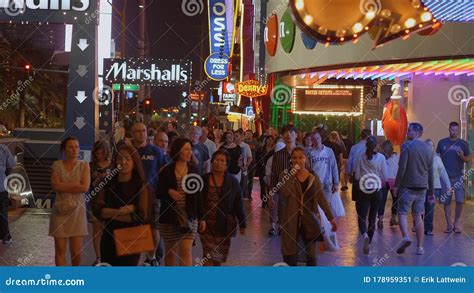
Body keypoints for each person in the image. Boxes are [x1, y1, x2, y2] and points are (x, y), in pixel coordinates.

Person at [93, 144, 150, 266]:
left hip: (132, 237)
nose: (123, 162)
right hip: (109, 236)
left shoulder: (141, 185)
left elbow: (141, 216)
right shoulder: (107, 183)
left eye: (128, 159)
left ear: (134, 162)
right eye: (119, 159)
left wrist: (110, 213)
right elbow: (98, 210)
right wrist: (123, 211)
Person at [279, 147, 337, 266]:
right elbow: (285, 192)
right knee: (290, 254)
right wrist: (291, 175)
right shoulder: (285, 175)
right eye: (294, 157)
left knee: (311, 255)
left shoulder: (313, 177)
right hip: (291, 219)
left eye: (300, 157)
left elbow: (321, 198)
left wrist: (331, 218)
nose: (297, 160)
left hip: (310, 219)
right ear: (291, 159)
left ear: (305, 159)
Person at [157, 138, 206, 266]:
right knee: (171, 252)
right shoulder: (166, 171)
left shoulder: (194, 170)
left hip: (189, 216)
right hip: (170, 216)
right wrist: (169, 191)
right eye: (186, 149)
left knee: (186, 249)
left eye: (190, 149)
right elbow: (158, 191)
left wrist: (202, 218)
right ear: (178, 151)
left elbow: (199, 196)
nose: (190, 152)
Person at [200, 150, 247, 266]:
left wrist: (242, 223)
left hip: (223, 225)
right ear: (212, 162)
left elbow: (238, 204)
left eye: (222, 161)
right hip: (206, 226)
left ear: (226, 165)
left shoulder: (232, 182)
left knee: (217, 259)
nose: (218, 162)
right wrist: (199, 218)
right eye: (216, 160)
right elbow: (198, 202)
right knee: (208, 256)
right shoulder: (203, 179)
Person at [50, 137, 90, 266]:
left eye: (76, 147)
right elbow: (56, 186)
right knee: (60, 251)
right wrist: (75, 184)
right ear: (64, 149)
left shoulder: (84, 165)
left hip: (77, 212)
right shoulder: (57, 165)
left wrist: (65, 185)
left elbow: (84, 187)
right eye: (71, 147)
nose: (74, 150)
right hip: (59, 211)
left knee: (76, 252)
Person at [395, 123, 433, 255]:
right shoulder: (428, 148)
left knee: (403, 213)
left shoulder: (406, 146)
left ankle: (405, 236)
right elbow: (431, 171)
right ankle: (420, 247)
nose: (407, 132)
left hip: (407, 186)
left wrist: (397, 185)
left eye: (409, 130)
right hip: (422, 187)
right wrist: (432, 191)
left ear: (417, 132)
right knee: (418, 216)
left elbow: (402, 167)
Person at [131, 122, 167, 266]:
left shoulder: (155, 151)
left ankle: (151, 257)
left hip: (153, 195)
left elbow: (164, 171)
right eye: (138, 131)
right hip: (132, 196)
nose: (142, 134)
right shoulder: (128, 151)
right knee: (133, 228)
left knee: (154, 228)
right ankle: (133, 258)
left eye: (144, 131)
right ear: (132, 134)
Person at [436, 121, 470, 233]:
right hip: (445, 178)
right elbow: (437, 159)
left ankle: (456, 222)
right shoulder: (442, 143)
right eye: (452, 130)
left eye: (456, 130)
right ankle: (449, 225)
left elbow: (468, 160)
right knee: (447, 202)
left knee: (460, 201)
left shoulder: (463, 143)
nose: (454, 132)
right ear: (449, 129)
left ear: (458, 131)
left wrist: (462, 156)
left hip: (459, 177)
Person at [354, 136, 386, 254]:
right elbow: (385, 176)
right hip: (377, 190)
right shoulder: (381, 158)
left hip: (364, 190)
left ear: (365, 145)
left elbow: (357, 176)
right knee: (373, 217)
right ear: (376, 145)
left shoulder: (360, 157)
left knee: (362, 217)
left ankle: (365, 235)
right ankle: (370, 242)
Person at [267, 125, 297, 236]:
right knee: (277, 206)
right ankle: (274, 226)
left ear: (296, 135)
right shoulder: (278, 155)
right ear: (283, 136)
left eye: (291, 133)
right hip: (281, 187)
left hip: (297, 188)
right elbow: (274, 174)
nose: (289, 135)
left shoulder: (301, 153)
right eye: (286, 133)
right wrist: (271, 193)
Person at [88, 140, 113, 265]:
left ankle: (109, 256)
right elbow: (89, 184)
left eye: (102, 152)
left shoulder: (113, 164)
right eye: (97, 153)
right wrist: (97, 177)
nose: (100, 155)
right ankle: (98, 257)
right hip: (96, 201)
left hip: (112, 202)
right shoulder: (91, 166)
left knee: (109, 231)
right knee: (97, 230)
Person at [424, 139, 451, 235]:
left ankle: (428, 229)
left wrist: (448, 185)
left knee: (430, 209)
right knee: (420, 208)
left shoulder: (437, 159)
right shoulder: (420, 157)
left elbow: (443, 172)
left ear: (434, 148)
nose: (429, 147)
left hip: (435, 188)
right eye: (427, 145)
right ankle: (417, 225)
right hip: (421, 187)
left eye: (431, 145)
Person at [308, 131, 339, 203]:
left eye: (318, 138)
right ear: (312, 140)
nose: (316, 140)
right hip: (315, 182)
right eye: (313, 139)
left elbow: (334, 167)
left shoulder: (329, 151)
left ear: (321, 138)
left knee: (326, 205)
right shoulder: (310, 152)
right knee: (316, 205)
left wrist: (336, 183)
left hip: (327, 183)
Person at [378, 140, 399, 229]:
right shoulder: (397, 157)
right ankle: (393, 218)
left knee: (382, 201)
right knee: (395, 200)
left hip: (383, 180)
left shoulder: (379, 157)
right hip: (394, 181)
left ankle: (380, 219)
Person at [346, 129, 372, 200]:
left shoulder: (354, 147)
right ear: (369, 136)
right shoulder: (371, 148)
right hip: (368, 174)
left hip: (356, 174)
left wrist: (348, 173)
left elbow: (350, 161)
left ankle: (359, 210)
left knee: (357, 198)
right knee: (368, 197)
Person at [0, 143, 15, 244]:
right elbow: (10, 166)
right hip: (1, 186)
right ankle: (6, 237)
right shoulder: (3, 148)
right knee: (2, 212)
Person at [256, 135, 275, 208]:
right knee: (263, 186)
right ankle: (264, 201)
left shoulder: (274, 150)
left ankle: (270, 200)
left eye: (271, 139)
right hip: (262, 170)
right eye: (268, 139)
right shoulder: (261, 149)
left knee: (270, 186)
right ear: (266, 140)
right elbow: (257, 159)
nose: (270, 141)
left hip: (271, 171)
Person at [234, 129, 253, 200]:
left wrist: (246, 166)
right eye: (234, 136)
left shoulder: (246, 146)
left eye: (237, 136)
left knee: (241, 189)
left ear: (241, 136)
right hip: (233, 171)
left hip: (243, 170)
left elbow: (250, 157)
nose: (235, 138)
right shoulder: (232, 145)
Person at [244, 129, 258, 200]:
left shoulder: (255, 143)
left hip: (253, 164)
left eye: (249, 134)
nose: (247, 135)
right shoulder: (243, 143)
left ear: (252, 135)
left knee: (251, 180)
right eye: (246, 134)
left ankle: (249, 194)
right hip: (245, 164)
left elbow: (259, 152)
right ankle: (244, 194)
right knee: (244, 179)